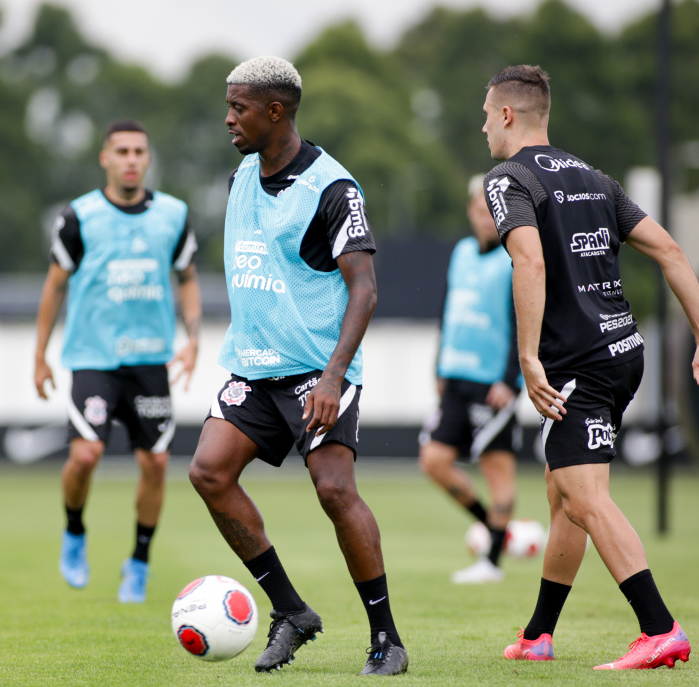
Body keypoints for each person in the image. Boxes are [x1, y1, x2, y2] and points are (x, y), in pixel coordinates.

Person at [480, 65, 699, 670]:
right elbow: (669, 250)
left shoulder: (507, 179)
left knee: (585, 496)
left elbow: (530, 265)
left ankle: (660, 628)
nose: (483, 125)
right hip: (625, 352)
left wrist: (526, 357)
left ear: (509, 115)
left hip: (580, 364)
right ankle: (540, 633)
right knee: (564, 492)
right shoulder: (594, 179)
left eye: (487, 114)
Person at [187, 56, 408, 676]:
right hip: (253, 366)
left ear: (275, 112)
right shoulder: (240, 178)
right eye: (228, 106)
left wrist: (336, 376)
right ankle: (291, 611)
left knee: (335, 491)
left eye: (239, 108)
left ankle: (386, 638)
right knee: (208, 472)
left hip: (317, 368)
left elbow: (363, 288)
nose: (228, 118)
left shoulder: (334, 189)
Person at [33, 118, 202, 604]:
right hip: (93, 357)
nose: (131, 159)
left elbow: (186, 277)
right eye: (121, 151)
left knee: (155, 463)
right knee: (85, 455)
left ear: (148, 159)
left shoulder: (173, 214)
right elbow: (54, 285)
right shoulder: (79, 216)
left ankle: (139, 563)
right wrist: (39, 356)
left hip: (150, 362)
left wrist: (192, 338)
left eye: (139, 152)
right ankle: (74, 532)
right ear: (105, 158)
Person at [418, 173, 521, 584]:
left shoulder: (514, 258)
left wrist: (510, 379)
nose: (486, 219)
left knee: (498, 471)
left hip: (492, 384)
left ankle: (492, 561)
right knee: (434, 461)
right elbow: (450, 314)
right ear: (470, 212)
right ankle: (496, 530)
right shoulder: (461, 252)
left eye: (492, 212)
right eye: (480, 211)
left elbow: (523, 322)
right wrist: (439, 367)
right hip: (455, 378)